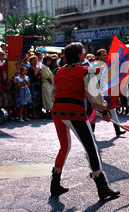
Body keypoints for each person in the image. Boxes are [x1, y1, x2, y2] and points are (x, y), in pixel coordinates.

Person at [50, 42, 120, 200]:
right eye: (83, 52)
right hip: (74, 112)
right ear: (79, 55)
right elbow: (94, 95)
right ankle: (102, 188)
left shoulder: (59, 71)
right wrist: (104, 112)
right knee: (91, 148)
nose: (84, 54)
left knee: (64, 147)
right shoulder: (85, 71)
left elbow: (54, 93)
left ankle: (55, 185)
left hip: (57, 111)